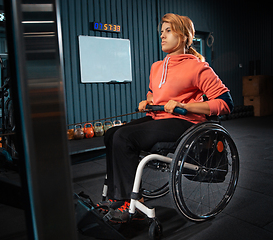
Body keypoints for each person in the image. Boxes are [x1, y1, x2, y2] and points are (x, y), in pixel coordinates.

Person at [97, 13, 234, 223]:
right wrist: (148, 99)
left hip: (185, 122)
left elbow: (226, 103)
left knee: (124, 137)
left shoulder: (198, 67)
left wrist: (185, 106)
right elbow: (154, 92)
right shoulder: (156, 67)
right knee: (111, 134)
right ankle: (117, 196)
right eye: (161, 32)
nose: (162, 36)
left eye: (168, 31)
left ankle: (129, 201)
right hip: (158, 117)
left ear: (184, 36)